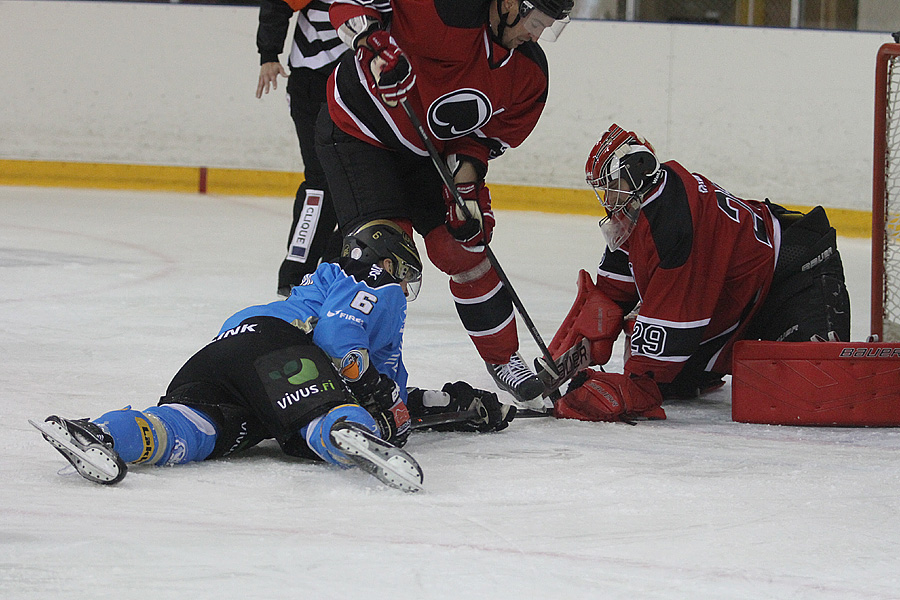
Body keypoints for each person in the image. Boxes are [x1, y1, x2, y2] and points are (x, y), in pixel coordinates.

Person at [31, 220, 515, 492]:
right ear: (387, 262)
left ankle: (99, 432)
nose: (402, 288)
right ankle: (344, 430)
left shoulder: (314, 285)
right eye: (404, 274)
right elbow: (336, 337)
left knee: (194, 428)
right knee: (322, 414)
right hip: (278, 354)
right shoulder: (373, 281)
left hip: (223, 355)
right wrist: (370, 392)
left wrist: (442, 405)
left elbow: (278, 361)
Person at [314, 0, 573, 408]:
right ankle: (360, 369)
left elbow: (479, 140)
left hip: (427, 151)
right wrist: (373, 42)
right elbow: (352, 3)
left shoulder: (529, 74)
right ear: (509, 4)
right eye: (536, 23)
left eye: (548, 28)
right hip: (360, 132)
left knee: (463, 247)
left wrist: (465, 193)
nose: (535, 36)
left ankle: (505, 358)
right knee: (383, 253)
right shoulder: (445, 7)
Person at [546, 123, 851, 423]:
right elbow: (612, 293)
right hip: (741, 295)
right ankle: (706, 367)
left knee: (818, 391)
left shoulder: (674, 223)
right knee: (668, 374)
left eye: (612, 186)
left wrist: (638, 382)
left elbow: (675, 318)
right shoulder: (640, 208)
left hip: (795, 272)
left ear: (639, 169)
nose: (608, 199)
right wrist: (571, 351)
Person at [256, 0, 347, 297]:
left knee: (356, 185)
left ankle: (335, 265)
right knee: (322, 183)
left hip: (358, 88)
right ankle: (297, 272)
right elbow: (279, 3)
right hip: (314, 86)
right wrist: (269, 54)